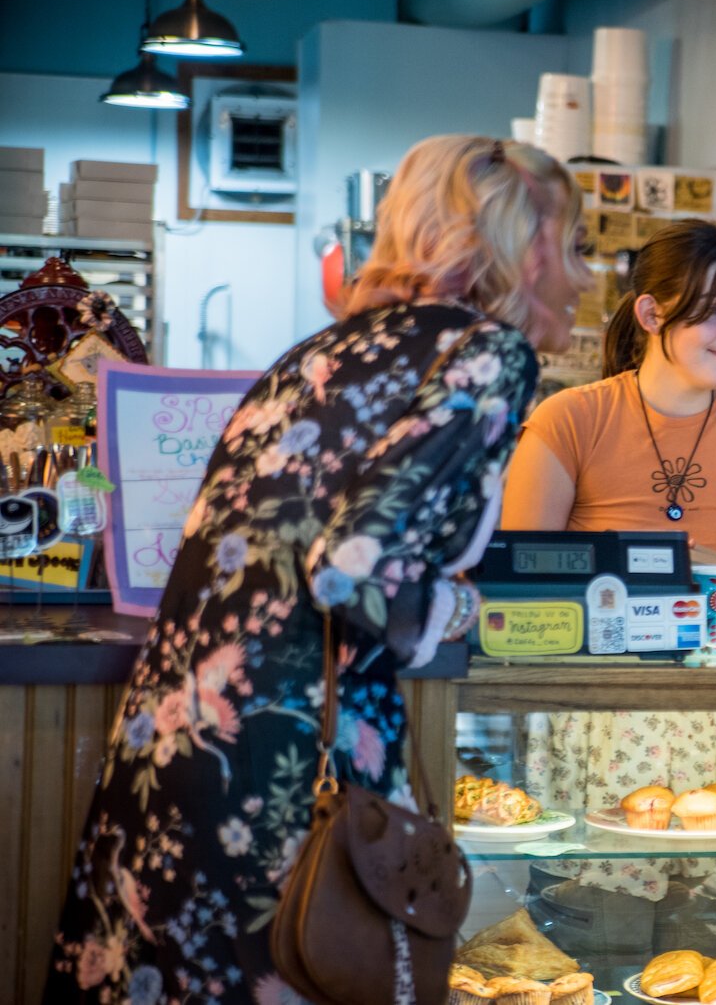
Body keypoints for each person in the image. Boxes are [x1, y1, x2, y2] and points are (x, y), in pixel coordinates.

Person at [45, 134, 590, 1004]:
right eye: (573, 245)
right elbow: (352, 572)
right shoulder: (485, 354)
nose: (585, 275)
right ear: (521, 248)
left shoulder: (319, 351)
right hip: (292, 774)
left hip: (176, 751)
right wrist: (454, 607)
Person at [500, 219, 716, 915]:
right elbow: (517, 583)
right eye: (714, 312)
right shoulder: (568, 419)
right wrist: (675, 570)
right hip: (603, 712)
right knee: (601, 929)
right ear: (651, 312)